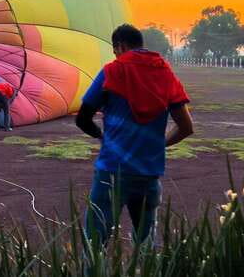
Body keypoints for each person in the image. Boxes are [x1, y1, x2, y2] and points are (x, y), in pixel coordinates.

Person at [75, 24, 194, 247]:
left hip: (112, 171)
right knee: (146, 244)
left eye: (115, 50)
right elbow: (186, 127)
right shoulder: (165, 73)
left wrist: (102, 136)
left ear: (120, 46)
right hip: (148, 174)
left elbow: (82, 119)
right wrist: (160, 145)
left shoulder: (112, 71)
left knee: (94, 244)